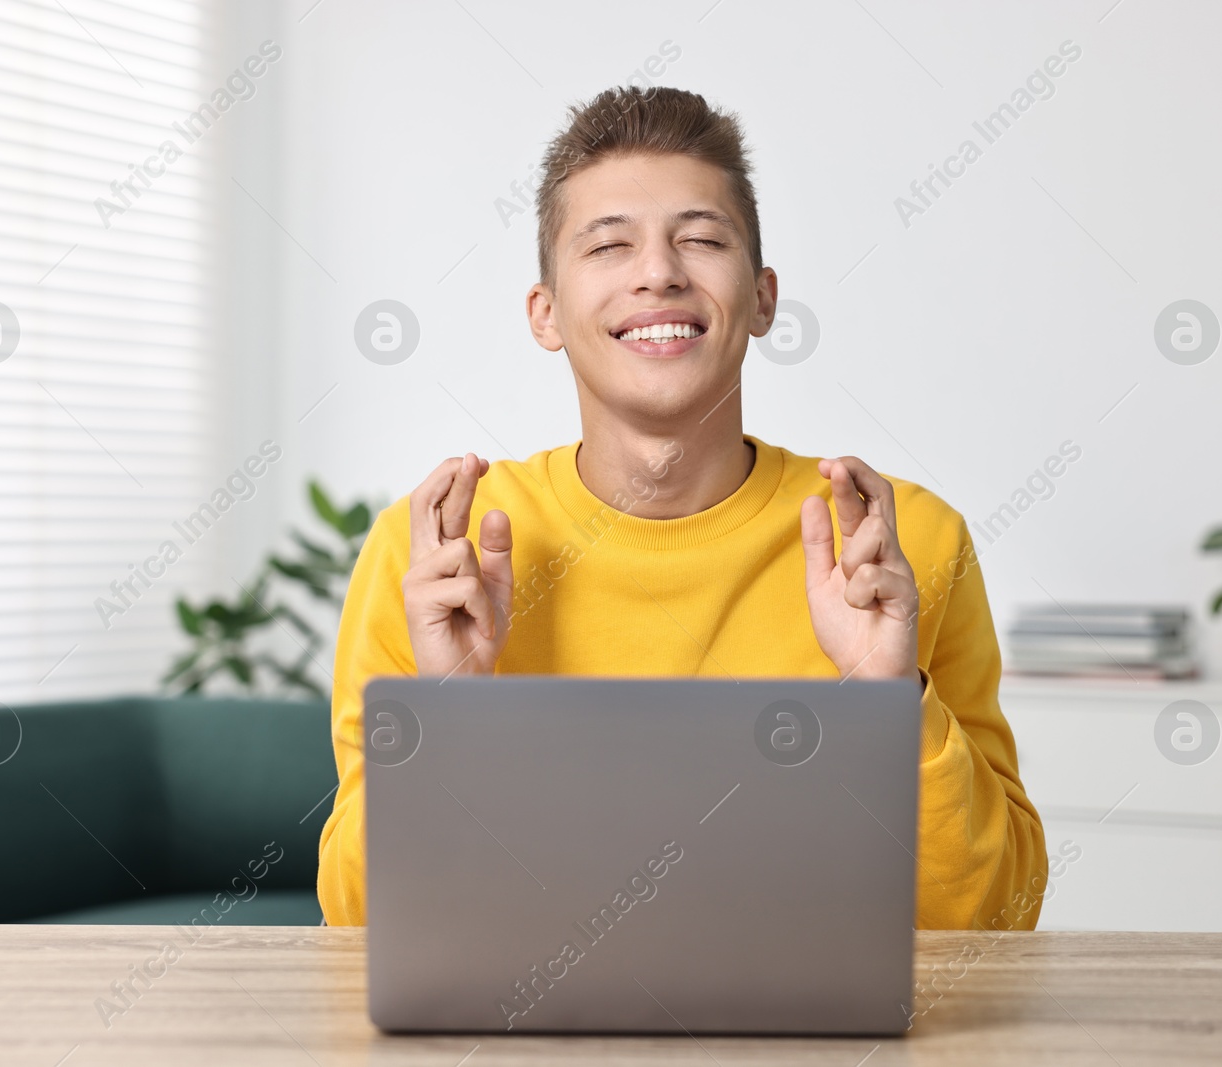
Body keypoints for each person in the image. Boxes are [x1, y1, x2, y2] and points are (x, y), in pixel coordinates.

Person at [317, 85, 1046, 932]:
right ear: (544, 313)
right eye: (609, 245)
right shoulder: (436, 556)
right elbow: (358, 921)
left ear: (763, 298)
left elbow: (999, 918)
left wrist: (888, 705)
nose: (658, 271)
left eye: (700, 239)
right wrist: (448, 717)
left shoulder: (897, 546)